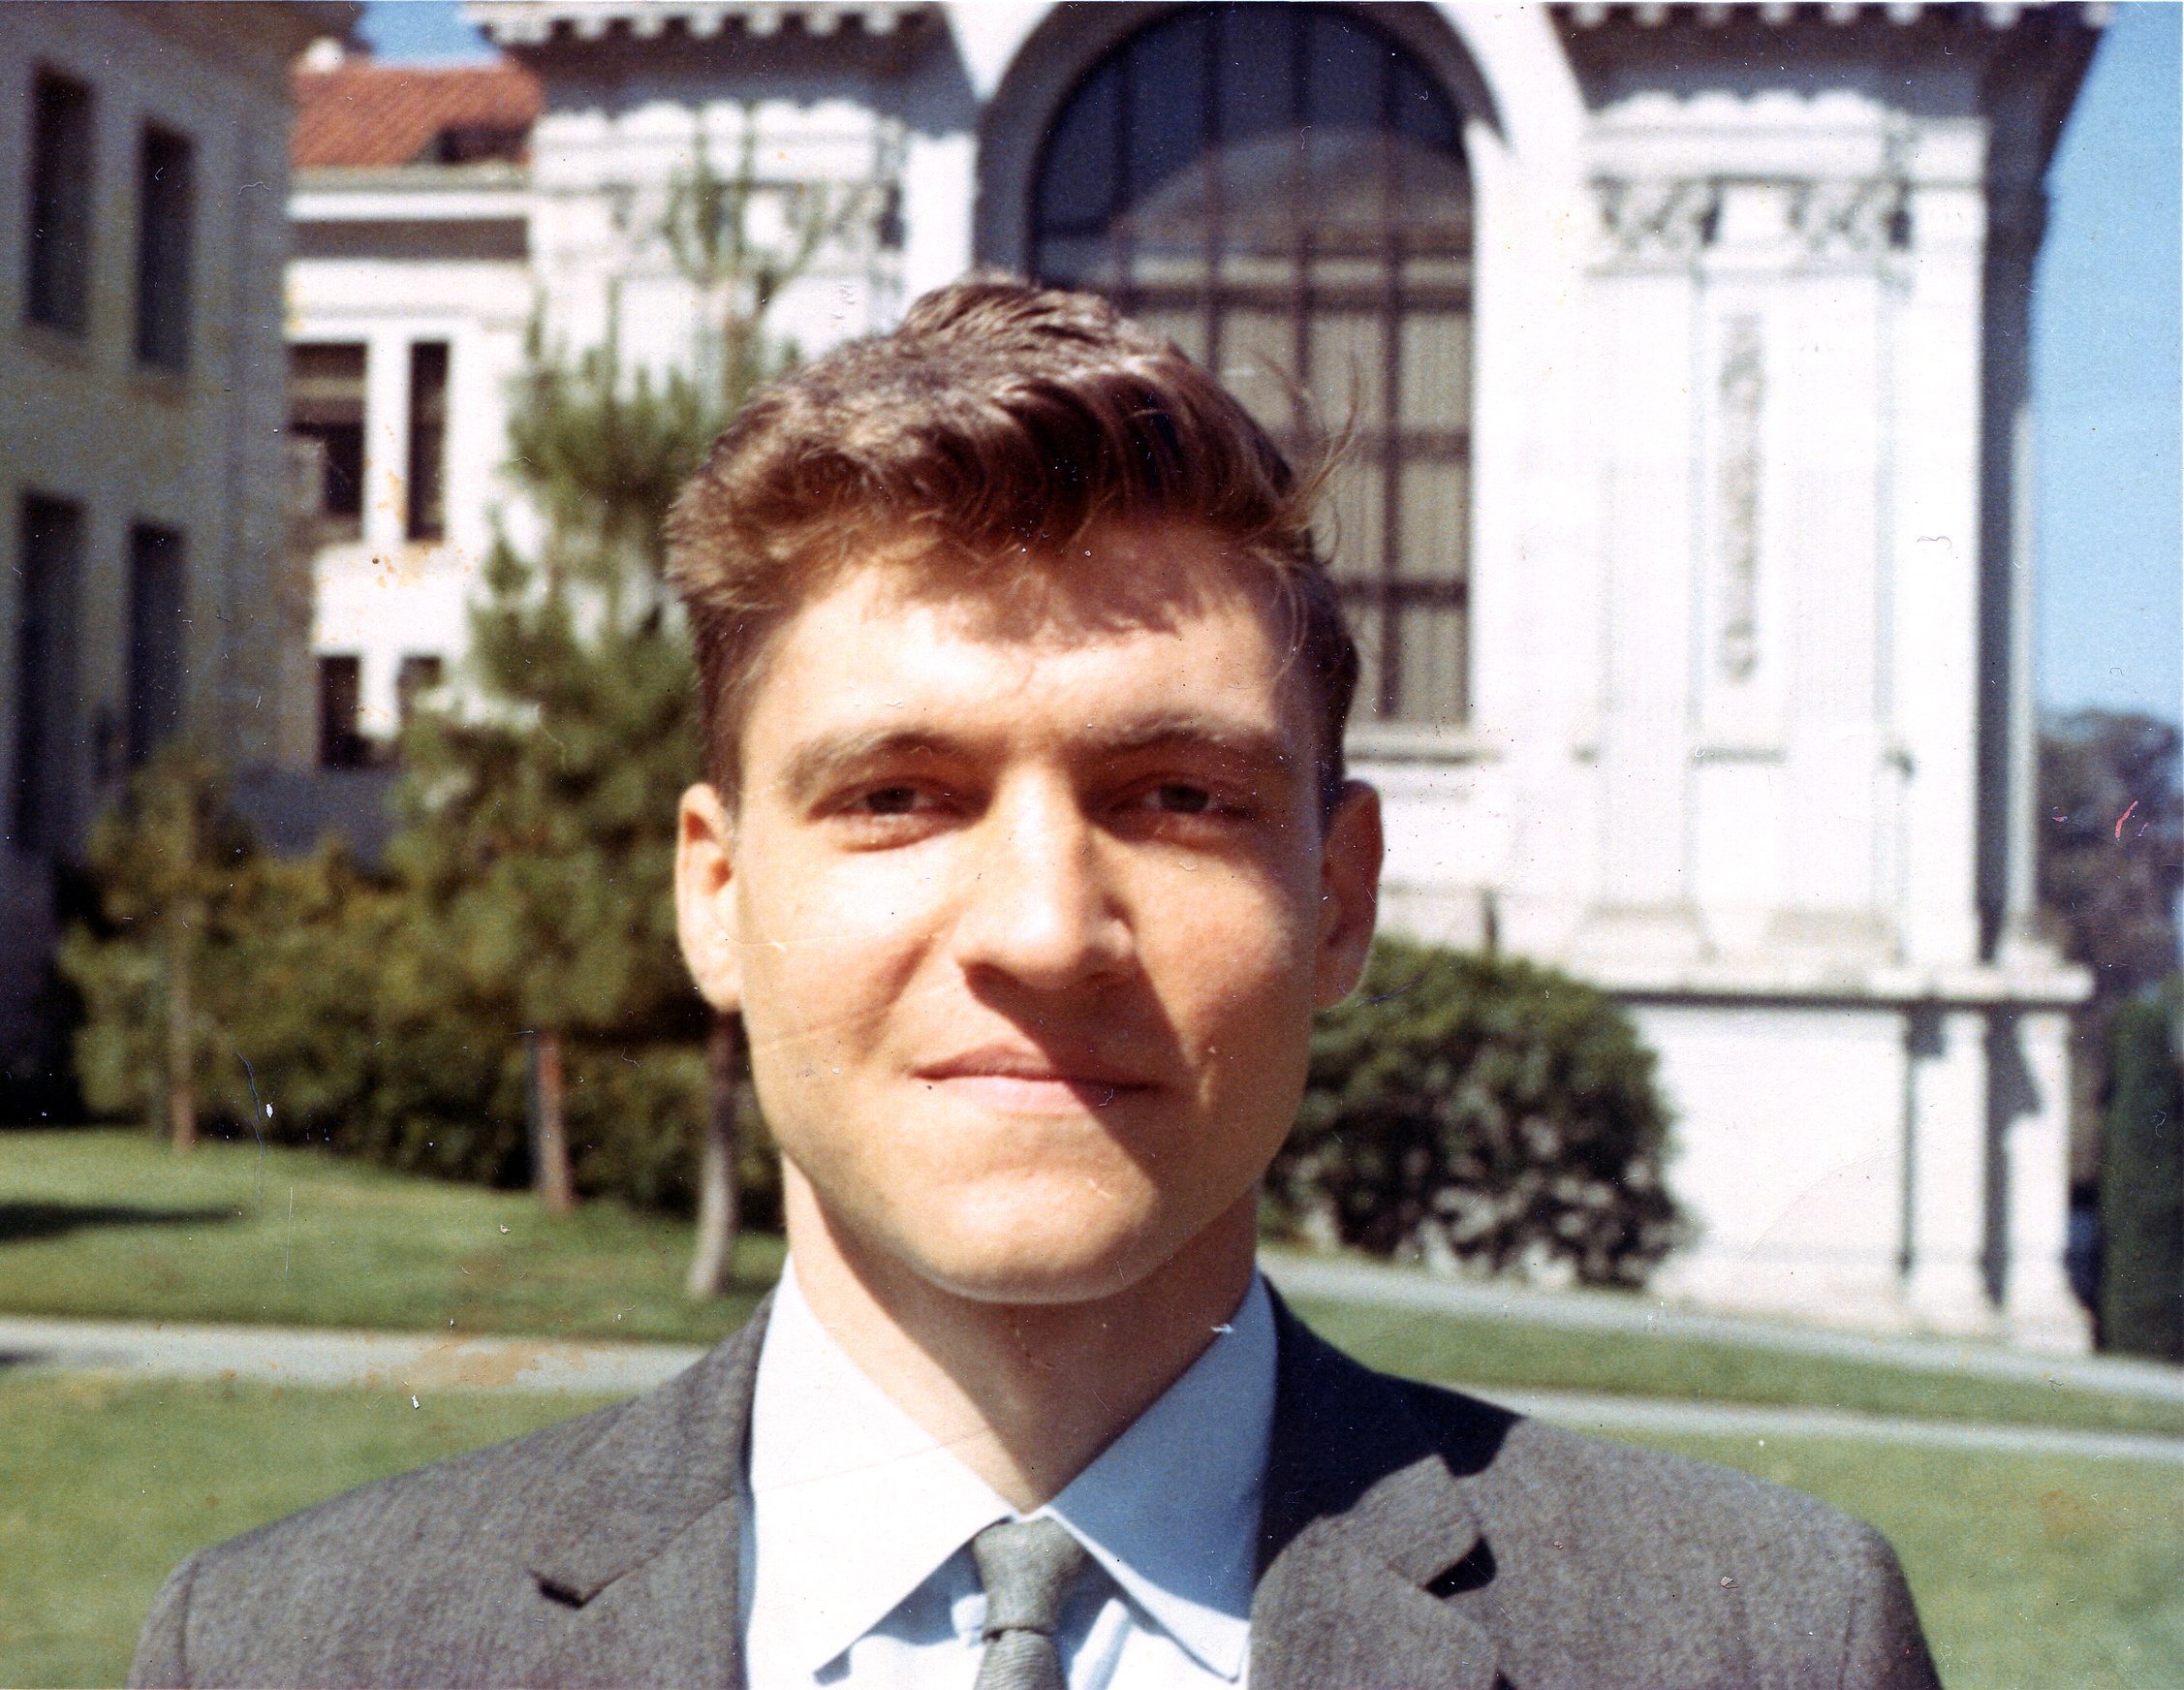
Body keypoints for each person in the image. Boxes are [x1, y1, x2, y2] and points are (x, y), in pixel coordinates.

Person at [131, 278, 1941, 1690]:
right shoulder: (288, 1651)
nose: (1042, 927)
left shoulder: (1764, 1643)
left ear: (1336, 895)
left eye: (1177, 796)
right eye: (897, 795)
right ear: (716, 891)